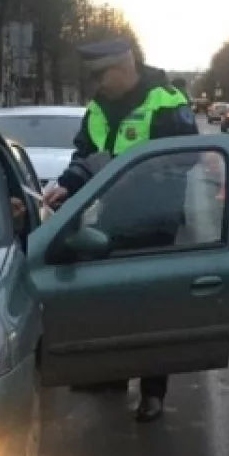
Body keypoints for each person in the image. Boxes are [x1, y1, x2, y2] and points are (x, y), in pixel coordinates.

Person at [43, 39, 198, 423]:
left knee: (151, 309)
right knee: (110, 300)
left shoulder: (166, 102)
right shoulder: (98, 108)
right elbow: (85, 156)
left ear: (126, 66)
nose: (97, 84)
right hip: (112, 216)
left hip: (154, 220)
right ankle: (111, 377)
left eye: (101, 75)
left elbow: (186, 158)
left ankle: (153, 392)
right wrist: (68, 184)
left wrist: (135, 176)